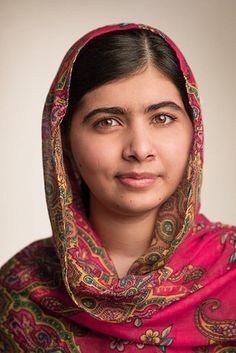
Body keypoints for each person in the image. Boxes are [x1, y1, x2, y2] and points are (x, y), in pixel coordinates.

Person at [0, 23, 235, 353]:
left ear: (193, 131)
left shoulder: (231, 272)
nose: (139, 148)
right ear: (62, 140)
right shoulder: (20, 289)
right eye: (107, 122)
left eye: (162, 118)